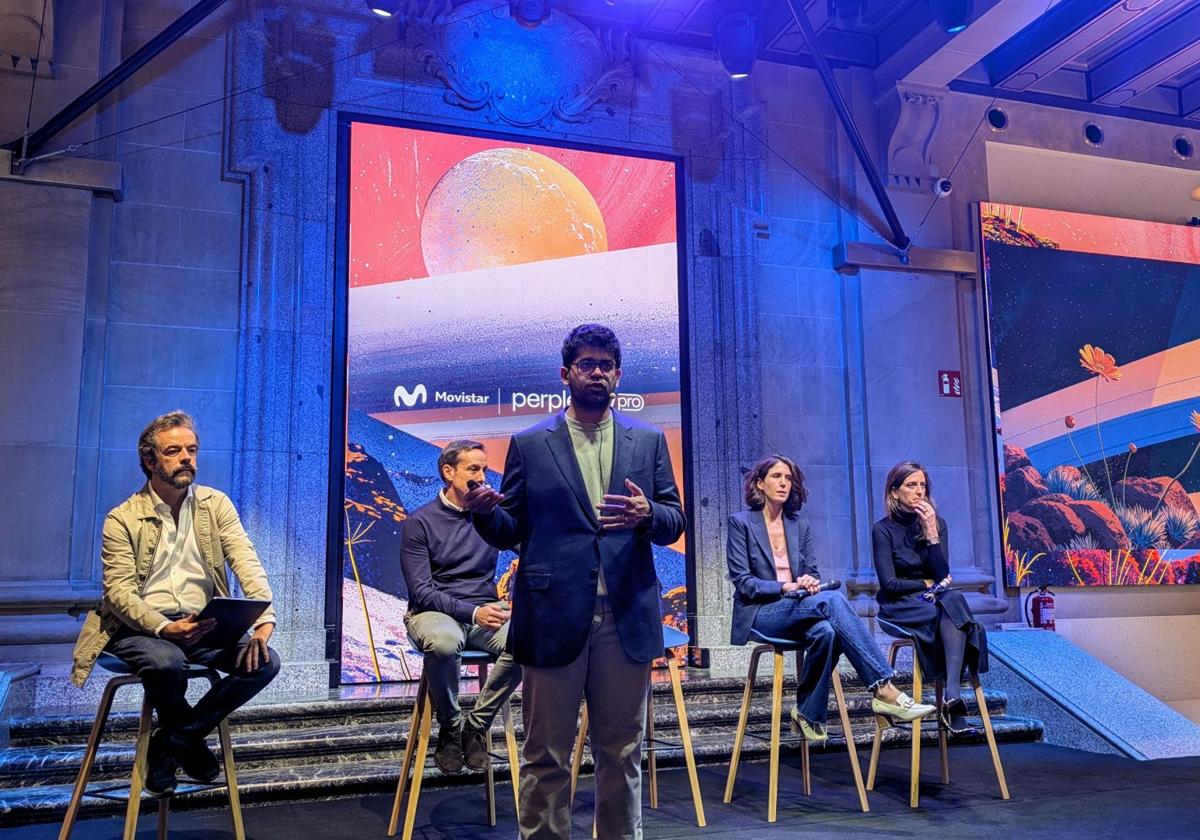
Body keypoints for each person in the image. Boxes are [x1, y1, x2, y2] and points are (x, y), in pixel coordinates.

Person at [464, 324, 685, 840]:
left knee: (623, 752)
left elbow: (674, 520)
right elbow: (512, 528)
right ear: (566, 374)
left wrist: (647, 511)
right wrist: (480, 514)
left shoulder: (647, 442)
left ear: (618, 375)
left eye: (606, 364)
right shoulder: (529, 444)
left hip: (624, 615)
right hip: (551, 618)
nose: (598, 372)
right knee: (545, 755)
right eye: (587, 363)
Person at [69, 411, 280, 795]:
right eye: (174, 451)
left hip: (201, 623)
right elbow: (118, 593)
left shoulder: (216, 505)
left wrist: (265, 621)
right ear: (150, 460)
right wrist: (166, 628)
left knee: (266, 662)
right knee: (168, 661)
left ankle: (172, 741)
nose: (187, 458)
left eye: (192, 450)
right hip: (138, 628)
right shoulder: (122, 518)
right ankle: (189, 744)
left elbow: (246, 561)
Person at [727, 455, 935, 741]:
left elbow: (809, 570)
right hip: (760, 612)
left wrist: (808, 580)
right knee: (833, 601)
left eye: (788, 478)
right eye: (776, 477)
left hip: (795, 606)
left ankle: (807, 713)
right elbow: (743, 583)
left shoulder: (799, 526)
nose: (784, 483)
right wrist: (784, 587)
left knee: (826, 632)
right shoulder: (741, 523)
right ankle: (884, 689)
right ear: (760, 483)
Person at [400, 439, 522, 775]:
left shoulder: (491, 518)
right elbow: (421, 591)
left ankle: (475, 726)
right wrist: (472, 613)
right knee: (443, 643)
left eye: (484, 468)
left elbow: (533, 548)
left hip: (485, 611)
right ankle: (451, 724)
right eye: (473, 469)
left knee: (531, 640)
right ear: (448, 472)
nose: (482, 476)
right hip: (434, 613)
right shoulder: (420, 522)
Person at [872, 460, 990, 733]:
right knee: (959, 614)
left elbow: (942, 573)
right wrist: (926, 582)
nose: (919, 491)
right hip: (897, 606)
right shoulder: (883, 529)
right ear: (894, 492)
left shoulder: (937, 524)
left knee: (951, 602)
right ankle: (953, 695)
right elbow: (890, 584)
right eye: (911, 485)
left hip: (933, 601)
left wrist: (932, 534)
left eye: (923, 485)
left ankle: (951, 694)